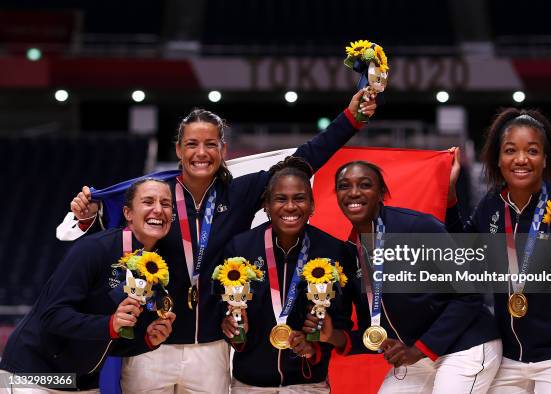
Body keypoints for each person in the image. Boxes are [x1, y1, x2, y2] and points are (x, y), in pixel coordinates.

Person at [61, 91, 377, 393]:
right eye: (192, 144)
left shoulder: (241, 193)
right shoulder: (156, 198)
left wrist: (351, 118)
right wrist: (90, 216)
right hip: (151, 344)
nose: (202, 152)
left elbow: (305, 158)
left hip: (210, 350)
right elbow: (115, 241)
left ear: (223, 150)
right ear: (178, 150)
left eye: (211, 144)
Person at [446, 108, 551, 393]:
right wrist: (449, 193)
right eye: (510, 150)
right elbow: (461, 254)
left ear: (545, 159)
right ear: (498, 158)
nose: (521, 159)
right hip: (509, 357)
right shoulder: (490, 206)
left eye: (532, 151)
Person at [327, 160, 501, 394]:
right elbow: (372, 330)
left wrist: (420, 349)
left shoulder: (417, 227)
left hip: (465, 344)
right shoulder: (349, 252)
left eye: (365, 185)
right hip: (416, 353)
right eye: (344, 186)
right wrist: (332, 336)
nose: (354, 192)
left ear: (381, 193)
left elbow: (469, 294)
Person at [0, 179, 176, 393]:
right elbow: (52, 315)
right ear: (128, 213)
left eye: (166, 204)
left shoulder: (156, 267)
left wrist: (147, 339)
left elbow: (113, 340)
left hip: (82, 381)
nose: (158, 209)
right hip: (33, 373)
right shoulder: (94, 248)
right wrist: (109, 324)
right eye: (148, 202)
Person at [220, 156, 353, 393]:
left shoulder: (333, 250)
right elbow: (225, 311)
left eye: (299, 198)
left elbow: (341, 321)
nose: (290, 206)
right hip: (249, 385)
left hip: (309, 385)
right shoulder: (240, 248)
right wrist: (233, 328)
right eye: (281, 199)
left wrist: (317, 345)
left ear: (312, 205)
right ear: (267, 206)